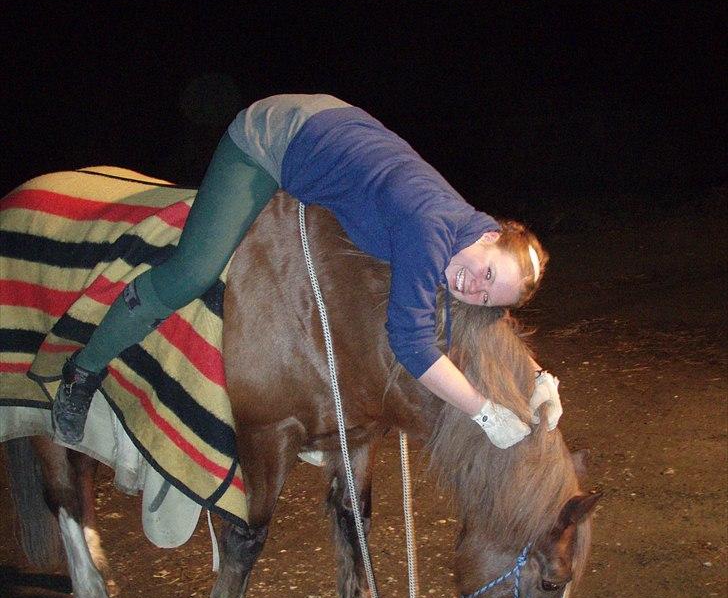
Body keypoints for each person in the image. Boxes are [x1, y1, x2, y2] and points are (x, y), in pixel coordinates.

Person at [52, 94, 561, 448]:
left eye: (488, 297)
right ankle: (83, 370)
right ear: (491, 237)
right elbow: (411, 342)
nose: (474, 289)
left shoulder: (471, 232)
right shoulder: (429, 228)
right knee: (193, 272)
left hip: (338, 123)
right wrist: (483, 411)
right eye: (487, 275)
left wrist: (537, 377)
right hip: (278, 134)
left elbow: (481, 314)